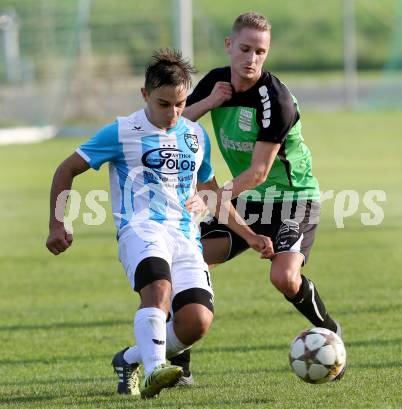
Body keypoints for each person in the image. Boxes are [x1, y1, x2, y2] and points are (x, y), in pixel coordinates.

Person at [46, 48, 273, 399]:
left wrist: (249, 235)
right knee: (159, 291)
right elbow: (66, 169)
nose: (173, 113)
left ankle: (130, 359)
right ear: (145, 95)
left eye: (180, 104)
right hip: (140, 230)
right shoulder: (122, 131)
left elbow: (211, 192)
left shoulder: (196, 136)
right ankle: (154, 371)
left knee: (196, 322)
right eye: (163, 104)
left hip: (185, 236)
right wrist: (57, 223)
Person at [168, 12, 343, 382]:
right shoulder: (215, 82)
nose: (251, 59)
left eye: (260, 52)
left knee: (283, 278)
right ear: (230, 45)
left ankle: (330, 333)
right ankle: (177, 363)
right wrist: (208, 102)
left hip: (292, 199)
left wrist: (213, 199)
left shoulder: (275, 99)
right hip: (247, 200)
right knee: (189, 262)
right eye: (245, 48)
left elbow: (259, 172)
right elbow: (175, 124)